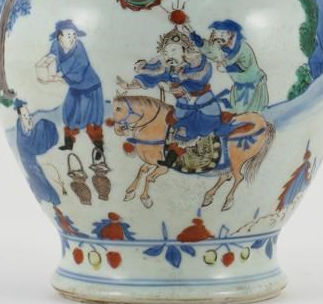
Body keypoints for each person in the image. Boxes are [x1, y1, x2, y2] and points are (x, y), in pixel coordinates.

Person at [119, 28, 233, 169]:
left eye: (173, 50)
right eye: (166, 53)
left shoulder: (195, 64)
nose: (169, 55)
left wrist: (177, 87)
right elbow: (150, 77)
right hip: (183, 106)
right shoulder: (168, 69)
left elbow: (200, 78)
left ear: (185, 50)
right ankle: (170, 159)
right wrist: (129, 86)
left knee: (194, 125)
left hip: (202, 105)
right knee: (176, 125)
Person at [48, 19, 105, 153]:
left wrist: (61, 75)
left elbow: (80, 67)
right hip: (75, 87)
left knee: (90, 118)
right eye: (69, 35)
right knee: (69, 113)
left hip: (89, 87)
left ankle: (99, 147)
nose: (73, 38)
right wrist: (49, 70)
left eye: (74, 35)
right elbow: (52, 59)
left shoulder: (79, 47)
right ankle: (69, 144)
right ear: (59, 36)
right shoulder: (56, 45)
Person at [190, 19, 269, 113]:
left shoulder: (242, 48)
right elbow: (214, 54)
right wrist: (201, 43)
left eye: (221, 34)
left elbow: (227, 61)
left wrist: (222, 61)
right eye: (215, 34)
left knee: (249, 112)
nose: (217, 38)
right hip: (239, 86)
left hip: (252, 86)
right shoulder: (223, 47)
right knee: (237, 111)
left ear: (231, 34)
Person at [14, 99, 60, 206]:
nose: (28, 117)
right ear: (20, 115)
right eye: (25, 116)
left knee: (40, 178)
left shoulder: (22, 124)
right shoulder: (20, 126)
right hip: (28, 162)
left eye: (28, 115)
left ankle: (52, 200)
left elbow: (30, 134)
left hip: (31, 160)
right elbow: (28, 141)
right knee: (39, 179)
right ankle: (51, 200)